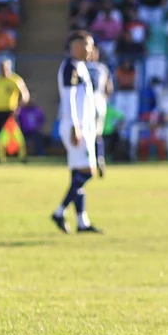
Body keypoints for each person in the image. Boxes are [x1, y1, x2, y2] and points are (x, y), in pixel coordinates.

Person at [51, 31, 102, 234]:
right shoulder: (70, 67)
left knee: (77, 175)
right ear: (76, 46)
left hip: (82, 126)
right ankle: (59, 211)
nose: (90, 49)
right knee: (87, 171)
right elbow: (69, 98)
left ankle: (82, 221)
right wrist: (75, 126)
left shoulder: (80, 67)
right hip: (76, 127)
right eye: (87, 45)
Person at [0, 59, 29, 163]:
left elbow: (25, 96)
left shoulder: (15, 80)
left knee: (16, 134)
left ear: (9, 68)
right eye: (0, 68)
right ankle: (0, 157)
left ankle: (22, 156)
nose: (2, 70)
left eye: (4, 68)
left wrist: (18, 107)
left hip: (10, 112)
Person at [86, 48, 113, 177]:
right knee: (97, 133)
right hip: (98, 101)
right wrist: (104, 99)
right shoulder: (103, 68)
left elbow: (109, 87)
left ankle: (91, 160)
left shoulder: (82, 67)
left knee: (88, 133)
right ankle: (99, 158)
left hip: (88, 101)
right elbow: (109, 88)